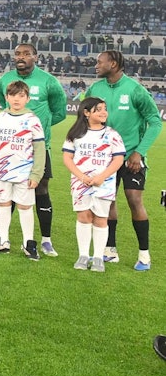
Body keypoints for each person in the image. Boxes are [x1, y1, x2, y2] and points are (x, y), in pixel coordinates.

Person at [87, 50, 163, 270]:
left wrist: (139, 152)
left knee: (134, 200)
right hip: (104, 158)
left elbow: (155, 122)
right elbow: (86, 116)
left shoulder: (135, 89)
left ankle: (144, 255)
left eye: (99, 62)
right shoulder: (95, 89)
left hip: (131, 158)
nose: (95, 65)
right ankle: (110, 250)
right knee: (108, 201)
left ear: (113, 64)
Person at [0, 42, 67, 256]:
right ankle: (2, 237)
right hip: (11, 150)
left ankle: (46, 240)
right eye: (17, 53)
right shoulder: (5, 80)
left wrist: (36, 131)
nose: (21, 57)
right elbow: (5, 108)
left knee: (41, 190)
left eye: (26, 53)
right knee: (8, 189)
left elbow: (60, 112)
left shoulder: (49, 81)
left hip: (38, 149)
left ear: (36, 56)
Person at [0, 80, 46, 260]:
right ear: (6, 97)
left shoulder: (32, 120)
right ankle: (2, 240)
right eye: (12, 95)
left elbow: (40, 148)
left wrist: (36, 174)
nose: (16, 99)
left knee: (25, 207)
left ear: (27, 98)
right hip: (2, 171)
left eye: (21, 96)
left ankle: (28, 243)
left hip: (24, 173)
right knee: (3, 203)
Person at [62, 97, 126, 272]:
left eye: (105, 109)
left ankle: (98, 257)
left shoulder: (112, 134)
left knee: (101, 218)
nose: (104, 112)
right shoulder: (75, 134)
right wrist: (81, 176)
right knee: (83, 216)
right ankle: (83, 255)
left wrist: (102, 177)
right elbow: (67, 158)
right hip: (80, 183)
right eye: (98, 109)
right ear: (86, 112)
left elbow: (118, 159)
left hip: (104, 184)